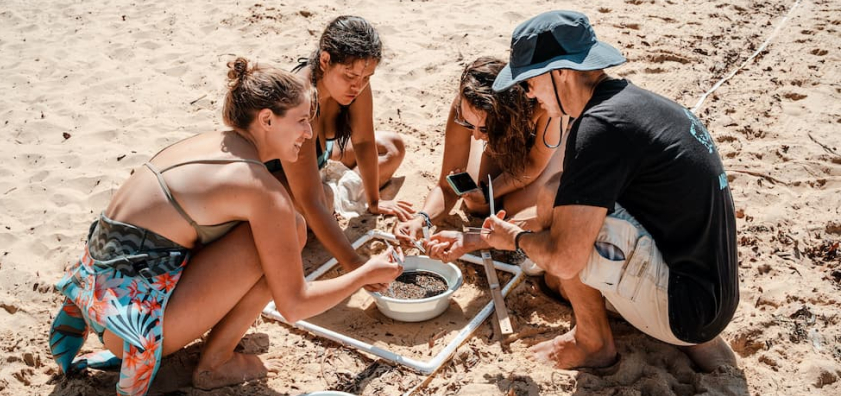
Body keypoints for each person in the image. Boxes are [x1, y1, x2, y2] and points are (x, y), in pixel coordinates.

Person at [48, 58, 403, 396]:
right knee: (288, 230)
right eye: (301, 121)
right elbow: (294, 306)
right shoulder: (259, 188)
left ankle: (209, 351)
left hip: (93, 299)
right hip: (131, 330)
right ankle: (214, 364)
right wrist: (363, 272)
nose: (309, 133)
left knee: (279, 227)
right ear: (267, 120)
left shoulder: (213, 145)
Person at [480, 10, 739, 372]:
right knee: (564, 240)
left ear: (559, 73)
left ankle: (592, 342)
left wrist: (516, 240)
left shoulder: (598, 127)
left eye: (528, 82)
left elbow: (566, 256)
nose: (529, 95)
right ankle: (701, 342)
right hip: (714, 295)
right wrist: (478, 238)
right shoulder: (637, 105)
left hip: (683, 312)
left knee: (555, 200)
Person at [266, 15, 412, 281]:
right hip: (275, 177)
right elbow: (309, 199)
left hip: (318, 157)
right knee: (320, 199)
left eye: (367, 76)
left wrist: (374, 201)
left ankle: (336, 193)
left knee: (392, 147)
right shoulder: (299, 99)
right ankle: (332, 197)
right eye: (350, 75)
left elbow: (365, 141)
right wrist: (357, 267)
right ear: (324, 61)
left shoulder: (356, 85)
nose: (358, 85)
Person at [394, 56, 567, 258]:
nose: (475, 136)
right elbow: (446, 187)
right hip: (505, 138)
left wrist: (488, 192)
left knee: (515, 207)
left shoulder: (544, 105)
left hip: (554, 144)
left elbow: (534, 163)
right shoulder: (465, 105)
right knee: (476, 205)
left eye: (484, 128)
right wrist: (421, 219)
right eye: (469, 125)